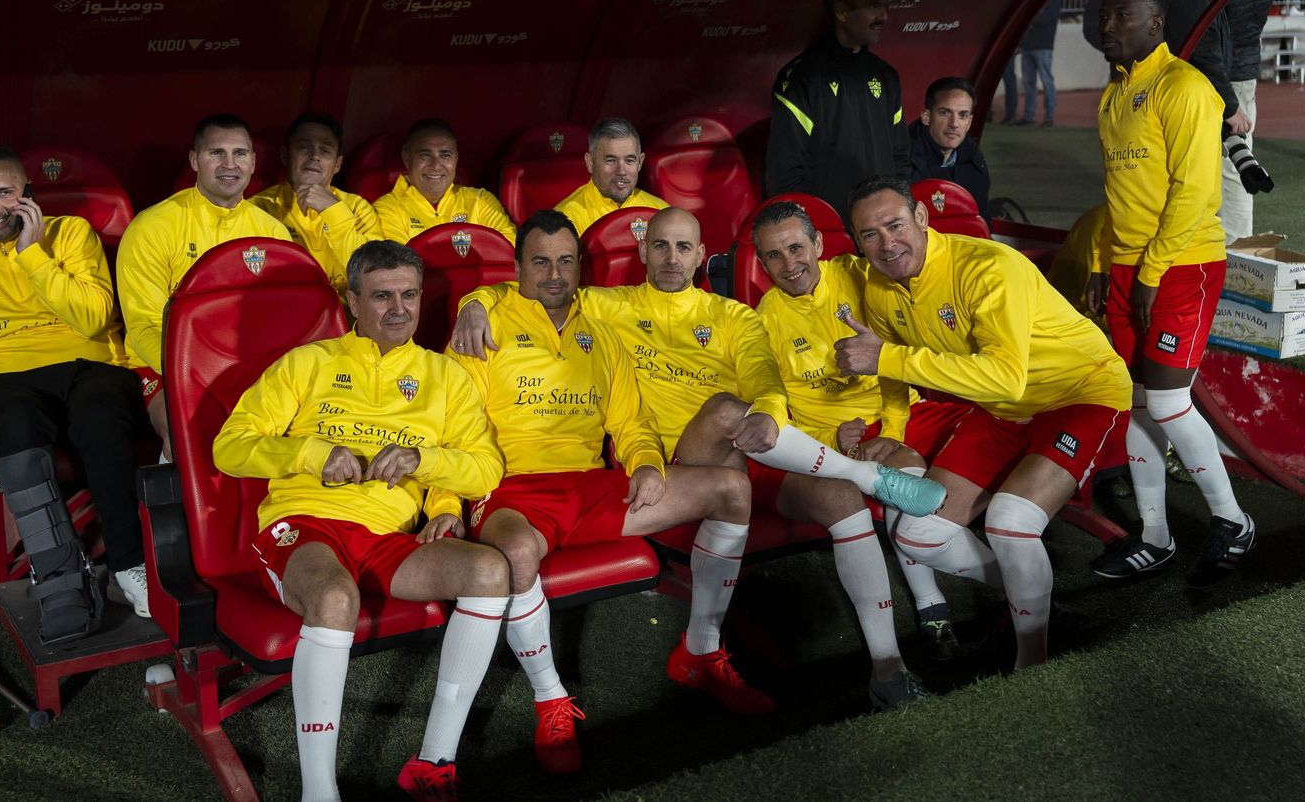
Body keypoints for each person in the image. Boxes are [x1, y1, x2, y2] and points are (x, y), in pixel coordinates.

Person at [452, 207, 946, 709]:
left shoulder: (735, 316)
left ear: (701, 257)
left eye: (683, 248)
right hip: (681, 459)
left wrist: (769, 414)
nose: (671, 258)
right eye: (660, 246)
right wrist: (475, 302)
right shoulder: (604, 306)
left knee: (842, 501)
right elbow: (537, 288)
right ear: (642, 251)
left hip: (753, 446)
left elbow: (764, 380)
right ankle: (867, 476)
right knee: (726, 409)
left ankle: (889, 668)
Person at [442, 210, 764, 773]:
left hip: (591, 486)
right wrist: (446, 506)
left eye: (565, 261)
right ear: (516, 267)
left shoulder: (601, 331)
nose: (554, 274)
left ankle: (702, 649)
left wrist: (646, 464)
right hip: (510, 488)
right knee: (516, 551)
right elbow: (449, 430)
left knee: (732, 489)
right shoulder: (482, 328)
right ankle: (550, 697)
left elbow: (631, 422)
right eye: (540, 262)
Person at [214, 241, 509, 802]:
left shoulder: (447, 376)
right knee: (334, 597)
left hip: (388, 535)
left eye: (409, 295)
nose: (399, 309)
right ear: (352, 301)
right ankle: (319, 793)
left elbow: (484, 466)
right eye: (381, 297)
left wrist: (428, 471)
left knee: (490, 572)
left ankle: (434, 762)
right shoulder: (308, 363)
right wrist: (312, 454)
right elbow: (229, 447)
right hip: (306, 522)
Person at [839, 178, 1132, 669]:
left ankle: (1031, 665)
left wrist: (887, 357)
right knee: (916, 536)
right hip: (1002, 408)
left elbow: (1003, 377)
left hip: (1079, 391)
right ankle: (1029, 594)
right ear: (858, 242)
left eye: (895, 225)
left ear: (921, 217)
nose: (887, 243)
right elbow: (888, 369)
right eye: (870, 234)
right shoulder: (880, 286)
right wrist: (891, 428)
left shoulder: (987, 267)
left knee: (1009, 523)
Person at [0, 145, 149, 643]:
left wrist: (32, 254)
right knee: (10, 417)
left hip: (88, 369)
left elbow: (93, 318)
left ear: (28, 193)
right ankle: (60, 578)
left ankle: (128, 564)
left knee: (101, 410)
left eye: (5, 192)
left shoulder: (71, 234)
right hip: (6, 386)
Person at [1085, 0, 1257, 588]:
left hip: (1182, 264)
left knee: (1165, 401)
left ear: (1155, 22)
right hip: (1129, 268)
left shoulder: (1184, 87)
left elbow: (1194, 192)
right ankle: (1155, 537)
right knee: (1138, 403)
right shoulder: (1115, 93)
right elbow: (1116, 193)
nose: (1108, 25)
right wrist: (1103, 263)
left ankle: (1233, 521)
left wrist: (1151, 269)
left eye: (1123, 14)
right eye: (1104, 14)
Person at [750, 200, 963, 661]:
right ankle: (933, 608)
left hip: (900, 412)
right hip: (840, 438)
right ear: (761, 263)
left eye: (796, 248)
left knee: (939, 464)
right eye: (774, 255)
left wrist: (893, 427)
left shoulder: (862, 274)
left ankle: (951, 596)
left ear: (818, 244)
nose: (789, 264)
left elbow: (901, 348)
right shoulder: (760, 323)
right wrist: (831, 440)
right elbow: (775, 410)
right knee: (906, 484)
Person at [116, 114, 291, 455]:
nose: (230, 164)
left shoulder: (273, 233)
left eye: (240, 154)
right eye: (216, 153)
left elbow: (284, 321)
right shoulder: (153, 226)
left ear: (254, 162)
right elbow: (144, 327)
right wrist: (205, 373)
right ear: (195, 160)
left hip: (250, 367)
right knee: (190, 434)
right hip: (165, 366)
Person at [1139, 0, 1273, 197]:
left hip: (1167, 89)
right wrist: (1229, 105)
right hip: (1191, 92)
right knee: (1199, 187)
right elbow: (1202, 41)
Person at [765, 0, 908, 220]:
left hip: (883, 228)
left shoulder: (885, 76)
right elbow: (785, 172)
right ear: (841, 12)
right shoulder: (802, 78)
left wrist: (897, 215)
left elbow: (901, 157)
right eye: (873, 6)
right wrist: (815, 227)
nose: (884, 16)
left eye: (885, 6)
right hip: (830, 230)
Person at [250, 113, 383, 300]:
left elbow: (376, 276)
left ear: (337, 164)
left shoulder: (358, 208)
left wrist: (334, 211)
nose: (314, 156)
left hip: (349, 314)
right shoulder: (258, 208)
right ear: (285, 156)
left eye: (325, 150)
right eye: (303, 147)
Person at [1212, 0, 1278, 238]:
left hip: (1224, 73)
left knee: (1230, 166)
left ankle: (1235, 243)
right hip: (1246, 69)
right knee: (1238, 158)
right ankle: (1236, 240)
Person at [373, 118, 517, 243]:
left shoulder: (480, 201)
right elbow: (399, 264)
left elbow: (509, 250)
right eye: (424, 155)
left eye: (445, 155)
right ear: (406, 158)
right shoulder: (387, 209)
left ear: (456, 159)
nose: (436, 165)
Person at [553, 116, 668, 233]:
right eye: (611, 160)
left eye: (629, 160)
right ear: (590, 162)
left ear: (640, 162)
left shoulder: (661, 212)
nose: (621, 171)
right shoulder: (565, 220)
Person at [908, 77, 991, 225]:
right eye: (945, 113)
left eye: (963, 115)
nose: (954, 124)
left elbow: (982, 222)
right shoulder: (901, 158)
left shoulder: (974, 159)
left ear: (969, 123)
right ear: (926, 117)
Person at [1016, 0, 1061, 126]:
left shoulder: (1053, 0)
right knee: (1029, 82)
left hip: (1043, 46)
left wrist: (1030, 17)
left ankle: (1049, 117)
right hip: (1028, 46)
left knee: (1046, 82)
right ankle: (1029, 116)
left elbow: (1043, 20)